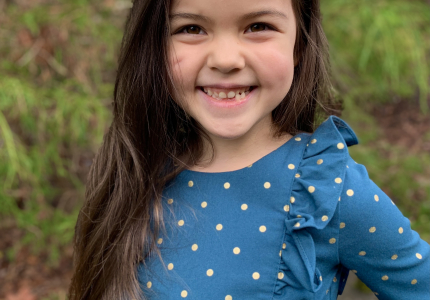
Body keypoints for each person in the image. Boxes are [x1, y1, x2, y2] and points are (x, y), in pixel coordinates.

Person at [68, 0, 430, 299]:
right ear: (155, 48)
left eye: (257, 26)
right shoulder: (133, 170)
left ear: (299, 45)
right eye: (191, 28)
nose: (226, 59)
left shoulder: (327, 191)